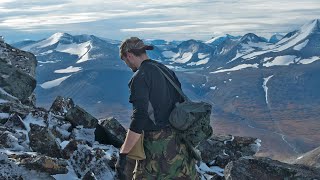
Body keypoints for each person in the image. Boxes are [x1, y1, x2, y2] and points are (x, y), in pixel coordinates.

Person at [115, 37, 199, 180]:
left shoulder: (140, 77)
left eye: (125, 60)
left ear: (129, 55)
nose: (127, 65)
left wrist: (123, 154)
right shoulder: (166, 71)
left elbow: (139, 117)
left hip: (157, 150)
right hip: (179, 145)